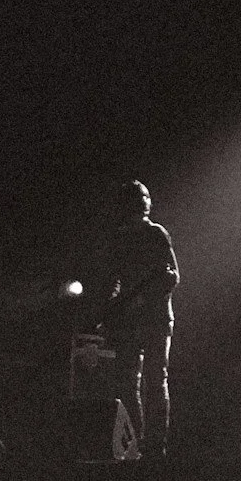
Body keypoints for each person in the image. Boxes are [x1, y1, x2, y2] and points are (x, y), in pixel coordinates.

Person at [96, 180, 179, 457]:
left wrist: (143, 298)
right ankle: (137, 444)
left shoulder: (156, 233)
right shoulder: (120, 239)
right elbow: (112, 281)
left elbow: (172, 276)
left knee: (153, 381)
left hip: (155, 318)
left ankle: (154, 446)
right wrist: (112, 308)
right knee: (130, 382)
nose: (144, 202)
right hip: (132, 320)